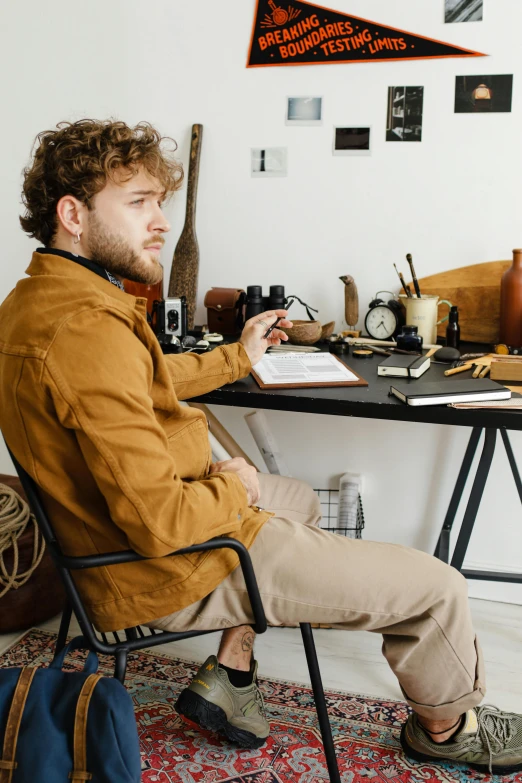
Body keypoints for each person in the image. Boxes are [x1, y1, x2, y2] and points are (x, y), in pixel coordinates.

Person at [0, 119, 520, 777]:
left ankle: (234, 670)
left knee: (296, 495)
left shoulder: (38, 302)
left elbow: (140, 381)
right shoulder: (85, 328)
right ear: (72, 214)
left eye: (160, 203)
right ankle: (447, 729)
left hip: (127, 542)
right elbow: (159, 522)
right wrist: (234, 486)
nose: (159, 221)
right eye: (138, 203)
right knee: (438, 586)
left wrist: (236, 357)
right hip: (170, 565)